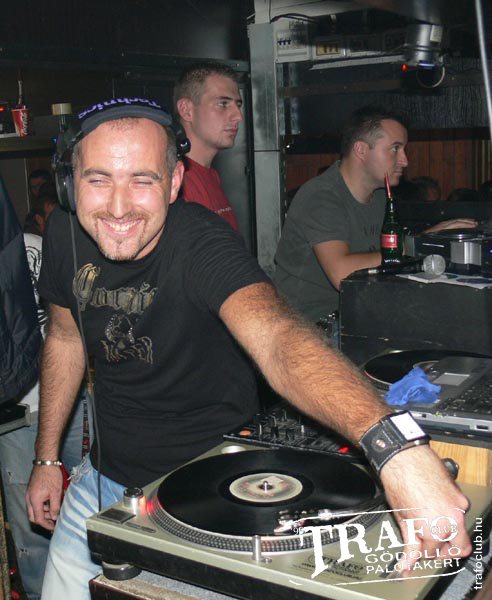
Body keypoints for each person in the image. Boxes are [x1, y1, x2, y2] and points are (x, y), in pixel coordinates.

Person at [26, 99, 471, 600]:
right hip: (100, 482)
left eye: (142, 180)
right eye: (98, 179)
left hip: (211, 493)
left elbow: (277, 336)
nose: (117, 207)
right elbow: (65, 338)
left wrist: (396, 449)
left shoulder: (203, 242)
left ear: (174, 183)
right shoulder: (64, 234)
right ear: (70, 183)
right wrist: (46, 460)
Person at [274, 106, 477, 325]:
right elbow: (342, 274)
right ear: (361, 150)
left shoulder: (380, 197)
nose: (404, 160)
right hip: (307, 326)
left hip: (357, 315)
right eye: (395, 148)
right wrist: (417, 243)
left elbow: (385, 263)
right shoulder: (322, 196)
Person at [0, 180, 84, 600]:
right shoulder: (34, 244)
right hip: (48, 403)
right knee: (62, 515)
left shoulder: (31, 246)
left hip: (36, 405)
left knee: (47, 520)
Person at [174, 62, 243, 229]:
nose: (238, 116)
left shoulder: (210, 175)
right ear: (186, 110)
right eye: (223, 104)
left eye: (238, 105)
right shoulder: (177, 182)